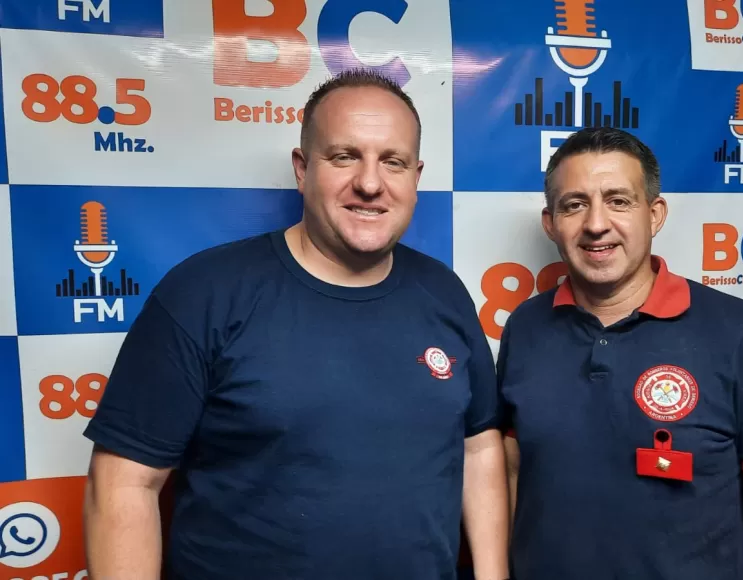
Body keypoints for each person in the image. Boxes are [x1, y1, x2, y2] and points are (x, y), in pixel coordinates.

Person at [81, 69, 509, 580]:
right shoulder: (203, 293)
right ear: (302, 169)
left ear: (416, 178)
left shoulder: (445, 292)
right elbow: (123, 484)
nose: (370, 183)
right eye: (344, 156)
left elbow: (479, 445)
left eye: (391, 162)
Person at [499, 127, 743, 580]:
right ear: (551, 223)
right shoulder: (525, 328)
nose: (595, 224)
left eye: (619, 201)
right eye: (574, 204)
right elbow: (511, 478)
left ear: (655, 214)